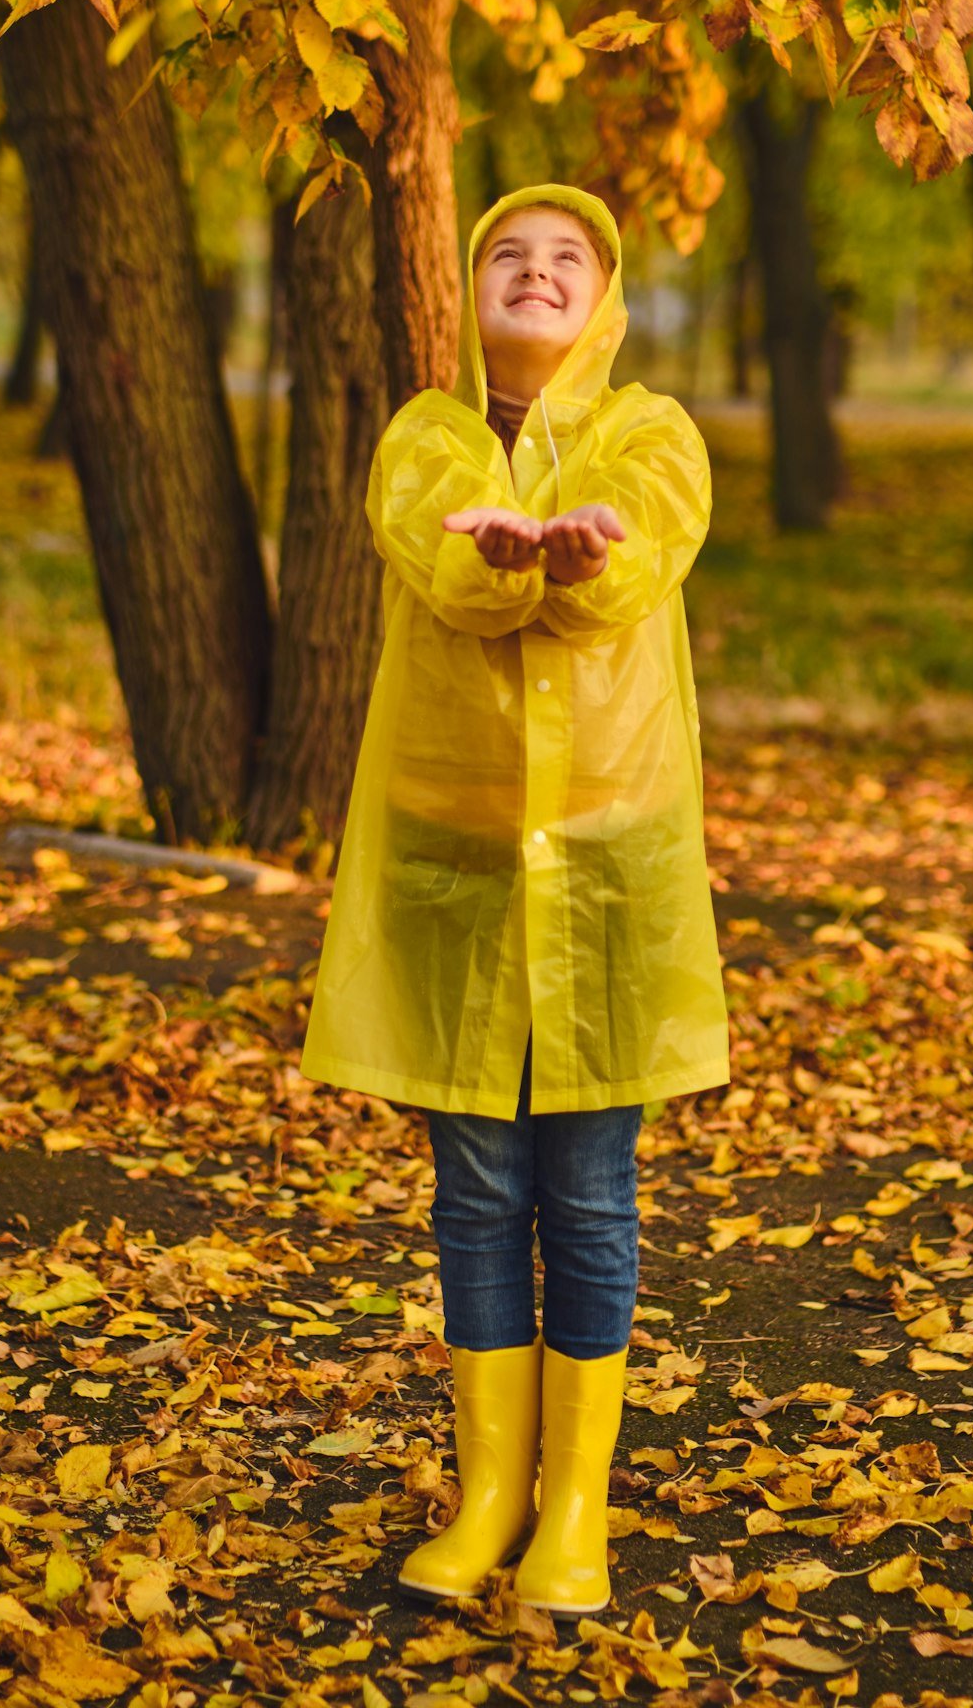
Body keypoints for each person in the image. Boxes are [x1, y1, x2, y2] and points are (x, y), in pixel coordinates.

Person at [301, 182, 728, 1615]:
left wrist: (579, 558)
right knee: (476, 1192)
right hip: (454, 870)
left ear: (602, 298)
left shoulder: (649, 432)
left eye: (566, 260)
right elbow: (440, 555)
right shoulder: (424, 434)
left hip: (610, 876)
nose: (536, 274)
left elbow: (638, 559)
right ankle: (487, 1490)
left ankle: (574, 1509)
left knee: (590, 1196)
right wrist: (498, 562)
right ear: (468, 285)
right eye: (508, 254)